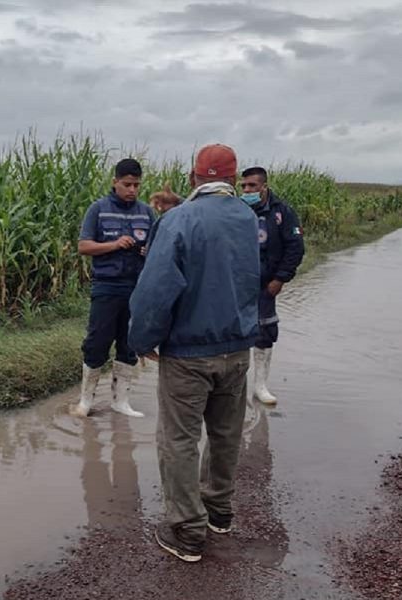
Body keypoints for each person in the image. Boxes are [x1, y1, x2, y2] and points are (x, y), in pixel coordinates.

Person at [128, 144, 260, 563]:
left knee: (179, 438)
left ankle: (187, 531)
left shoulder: (177, 219)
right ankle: (218, 510)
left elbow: (156, 289)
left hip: (189, 351)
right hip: (238, 347)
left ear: (192, 178)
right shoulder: (246, 216)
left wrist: (141, 339)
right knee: (226, 432)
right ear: (234, 179)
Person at [71, 158, 156, 418]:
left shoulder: (146, 212)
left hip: (136, 288)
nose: (132, 190)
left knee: (128, 343)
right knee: (97, 342)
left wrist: (146, 250)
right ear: (115, 182)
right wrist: (115, 244)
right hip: (106, 287)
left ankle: (121, 401)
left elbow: (156, 248)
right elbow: (84, 247)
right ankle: (86, 401)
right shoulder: (98, 209)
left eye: (136, 185)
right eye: (127, 184)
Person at [239, 167, 305, 404]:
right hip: (236, 285)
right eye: (243, 186)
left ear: (264, 187)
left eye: (252, 186)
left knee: (265, 332)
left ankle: (260, 386)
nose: (247, 190)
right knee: (234, 332)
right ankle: (236, 388)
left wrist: (280, 279)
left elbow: (295, 247)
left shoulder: (282, 212)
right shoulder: (235, 209)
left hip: (266, 284)